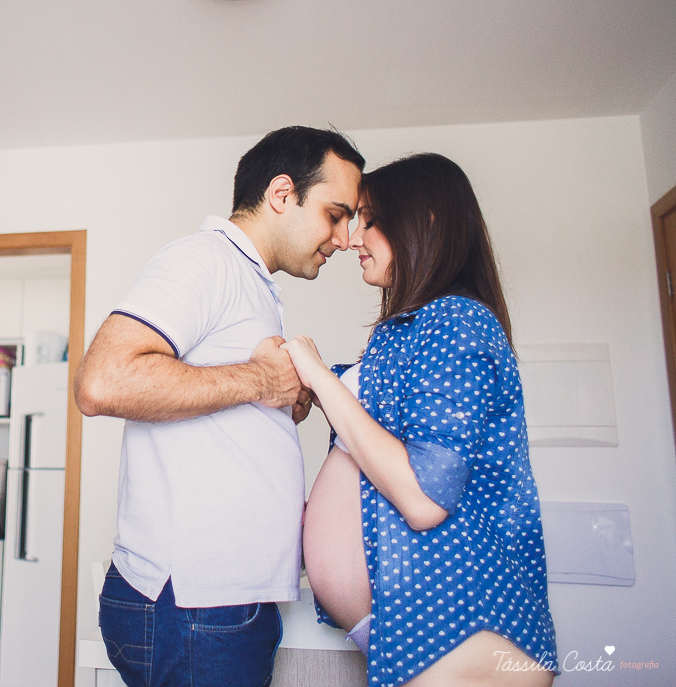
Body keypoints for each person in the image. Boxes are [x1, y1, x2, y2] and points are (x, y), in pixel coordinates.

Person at [74, 126, 365, 687]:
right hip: (194, 608)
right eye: (336, 214)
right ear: (282, 195)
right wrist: (259, 380)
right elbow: (103, 382)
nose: (347, 237)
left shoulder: (250, 281)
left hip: (218, 605)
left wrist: (278, 402)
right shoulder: (204, 260)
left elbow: (214, 399)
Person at [285, 153, 558, 686]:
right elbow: (380, 420)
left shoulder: (456, 320)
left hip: (463, 628)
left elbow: (423, 497)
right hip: (420, 629)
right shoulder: (411, 330)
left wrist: (320, 379)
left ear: (424, 222)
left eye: (368, 218)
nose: (353, 238)